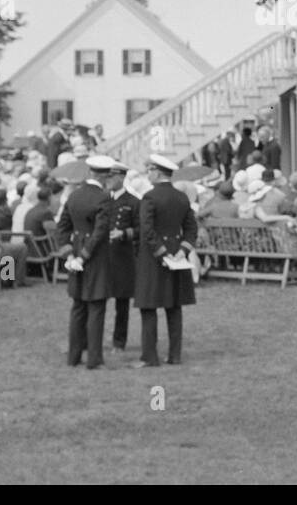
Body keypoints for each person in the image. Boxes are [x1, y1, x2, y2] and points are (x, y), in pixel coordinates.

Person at [132, 155, 198, 368]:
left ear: (157, 172)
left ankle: (150, 357)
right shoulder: (182, 197)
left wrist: (162, 253)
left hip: (153, 258)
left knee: (149, 308)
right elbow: (191, 229)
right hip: (177, 254)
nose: (148, 174)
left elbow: (147, 231)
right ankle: (174, 355)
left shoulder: (149, 198)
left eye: (150, 170)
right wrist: (182, 251)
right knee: (174, 306)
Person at [57, 155, 116, 370]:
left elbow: (62, 227)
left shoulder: (74, 196)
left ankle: (73, 357)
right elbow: (101, 231)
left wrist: (70, 255)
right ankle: (94, 358)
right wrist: (83, 255)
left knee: (78, 307)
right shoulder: (104, 197)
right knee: (96, 308)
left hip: (76, 253)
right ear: (105, 176)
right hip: (95, 257)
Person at [106, 159, 139, 352]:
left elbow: (140, 229)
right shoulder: (103, 199)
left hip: (122, 258)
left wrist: (124, 233)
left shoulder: (133, 202)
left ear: (121, 177)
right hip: (104, 256)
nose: (109, 180)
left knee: (122, 303)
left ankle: (119, 341)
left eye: (112, 176)